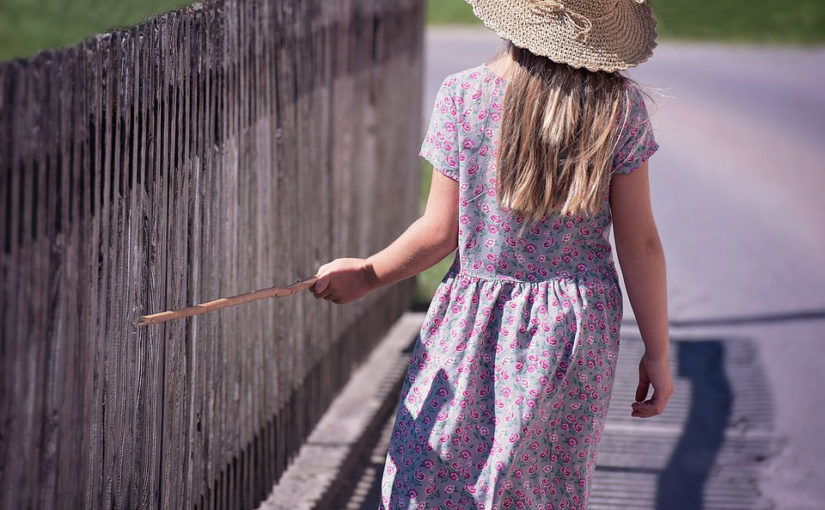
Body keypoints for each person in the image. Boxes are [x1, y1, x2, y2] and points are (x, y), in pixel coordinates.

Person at [310, 0, 674, 507]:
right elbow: (640, 244)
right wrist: (656, 352)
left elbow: (439, 232)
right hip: (575, 328)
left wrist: (368, 273)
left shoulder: (465, 95)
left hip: (473, 320)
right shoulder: (620, 107)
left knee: (437, 469)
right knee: (541, 482)